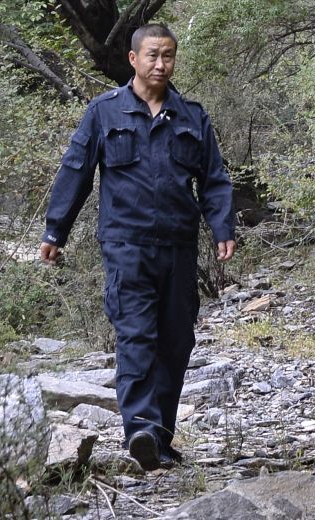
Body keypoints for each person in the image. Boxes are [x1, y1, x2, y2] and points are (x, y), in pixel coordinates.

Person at [39, 23, 235, 471]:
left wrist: (222, 227)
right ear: (133, 59)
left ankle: (159, 439)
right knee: (136, 335)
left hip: (179, 247)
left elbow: (214, 178)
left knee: (176, 340)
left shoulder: (192, 117)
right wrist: (55, 232)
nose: (161, 64)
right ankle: (141, 428)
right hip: (126, 246)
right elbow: (75, 172)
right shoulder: (104, 112)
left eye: (168, 56)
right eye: (152, 55)